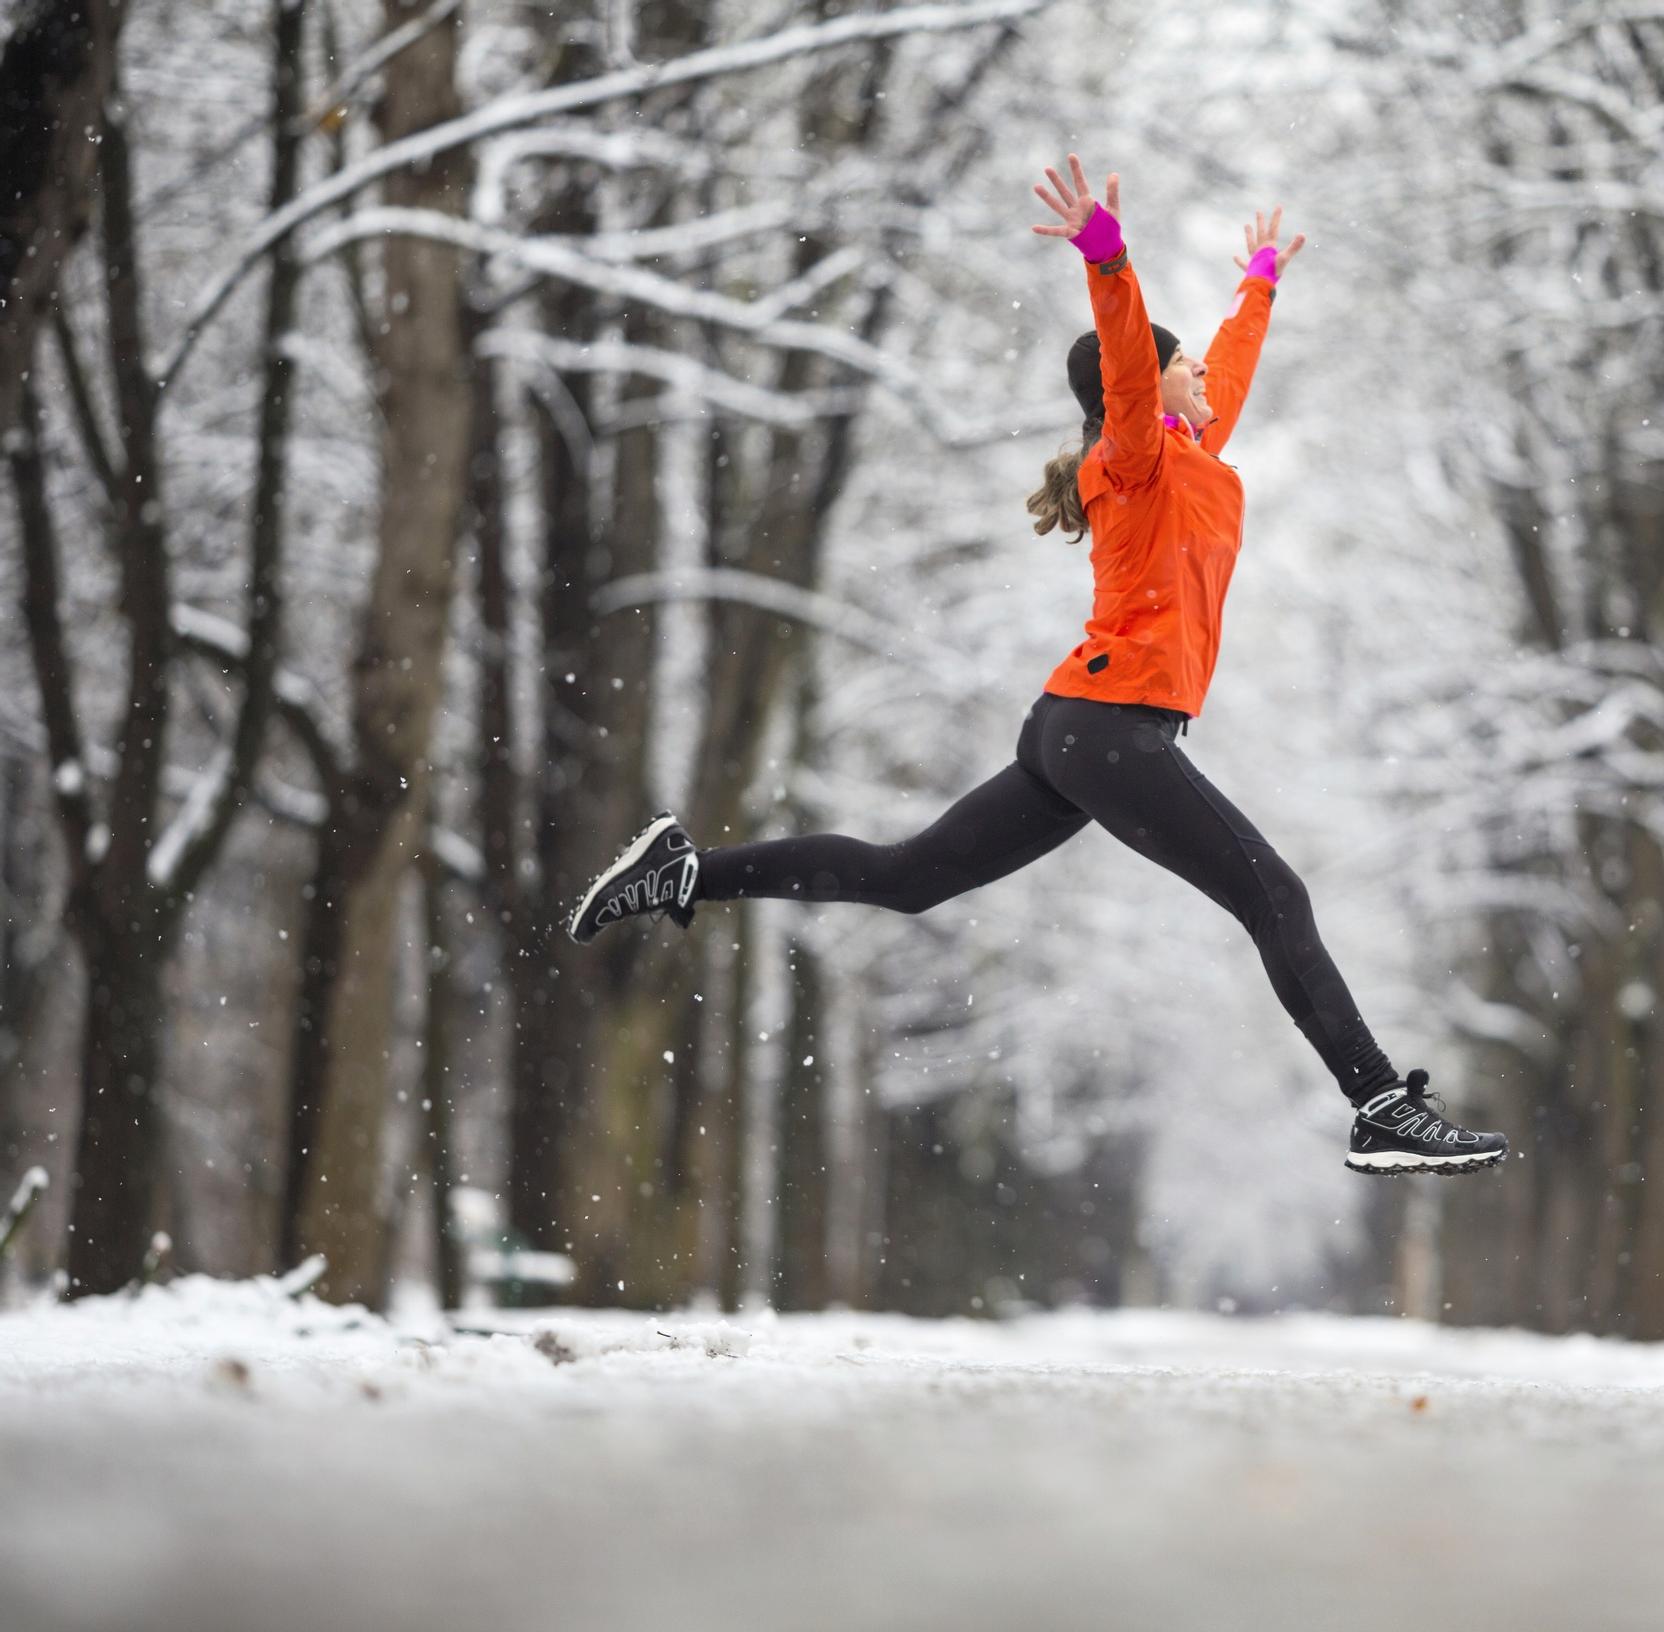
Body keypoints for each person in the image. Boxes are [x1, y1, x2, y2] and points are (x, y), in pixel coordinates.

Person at [569, 155, 1507, 1177]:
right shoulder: (1134, 459)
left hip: (1078, 728)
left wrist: (1261, 281)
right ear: (1141, 391)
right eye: (1183, 366)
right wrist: (1106, 255)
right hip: (1110, 729)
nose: (1202, 374)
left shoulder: (1191, 455)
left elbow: (1226, 368)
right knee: (1274, 898)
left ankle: (687, 871)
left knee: (909, 878)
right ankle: (1380, 1105)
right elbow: (1131, 363)